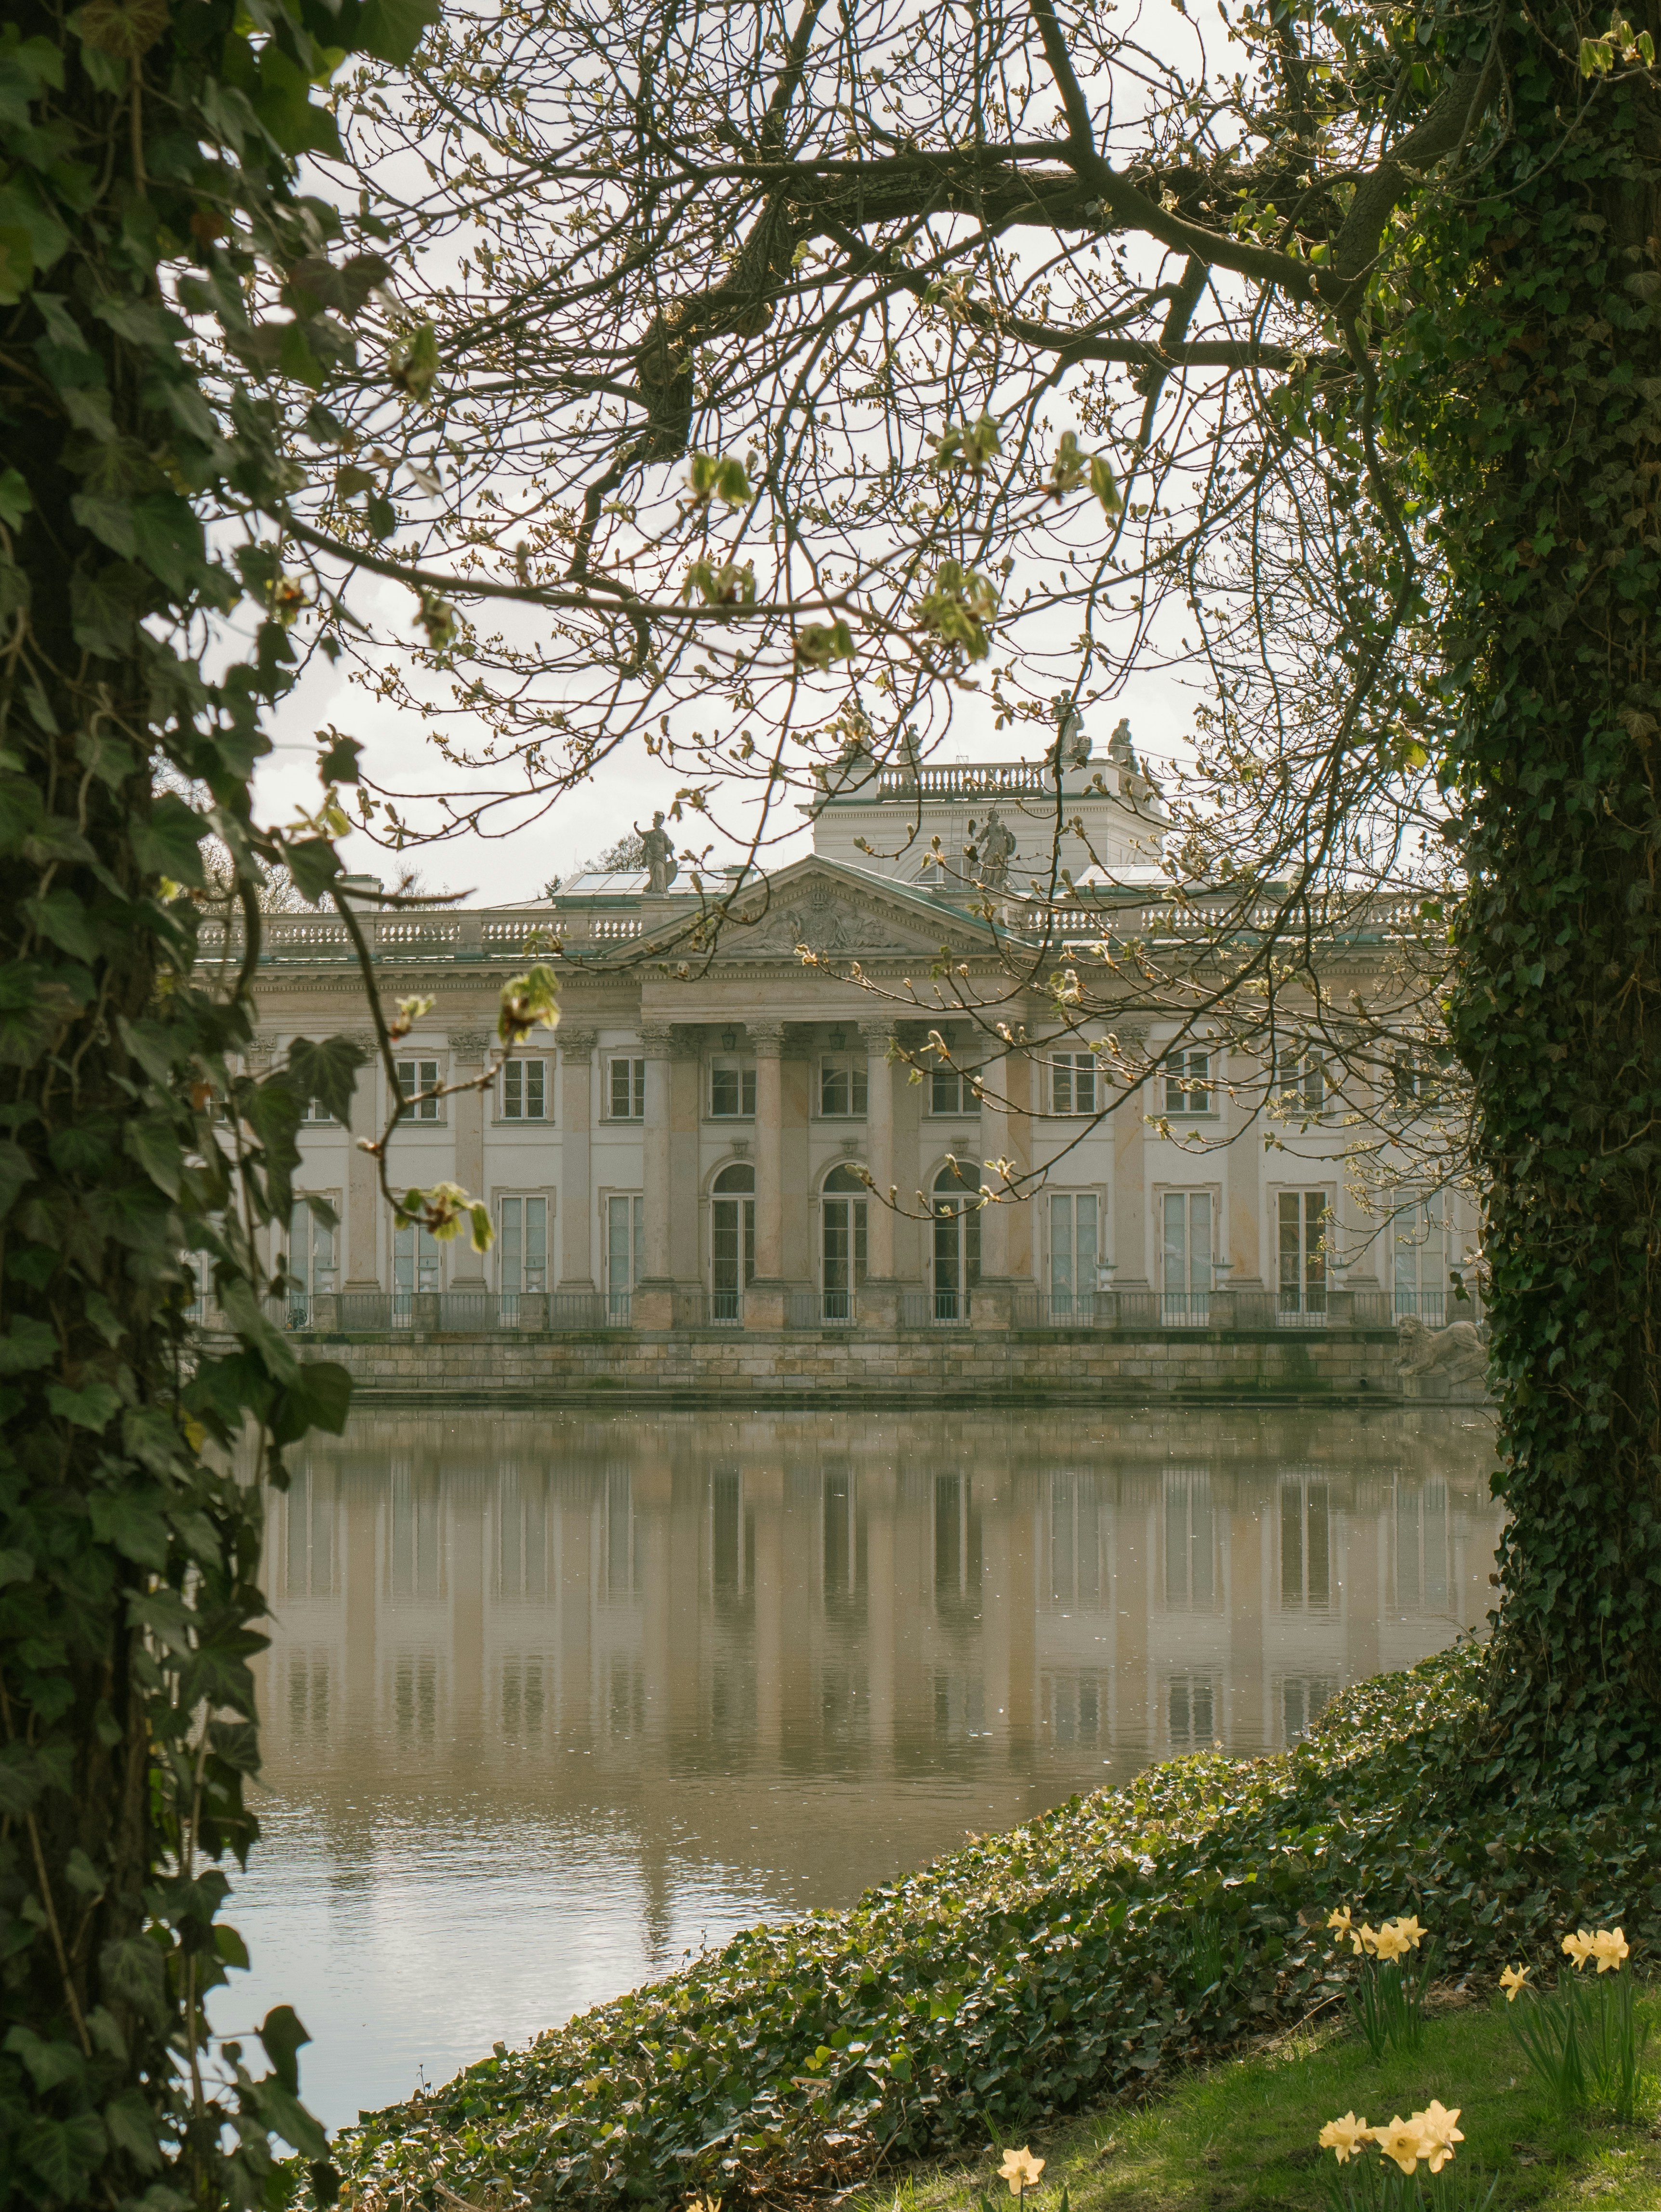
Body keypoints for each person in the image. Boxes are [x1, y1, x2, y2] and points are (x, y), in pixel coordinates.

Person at [639, 811, 678, 893]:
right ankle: (654, 890)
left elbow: (668, 847)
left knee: (660, 871)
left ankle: (661, 889)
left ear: (658, 823)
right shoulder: (650, 833)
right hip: (651, 857)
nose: (653, 823)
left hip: (660, 857)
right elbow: (641, 834)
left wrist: (672, 858)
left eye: (655, 821)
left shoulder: (663, 835)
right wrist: (635, 827)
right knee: (653, 874)